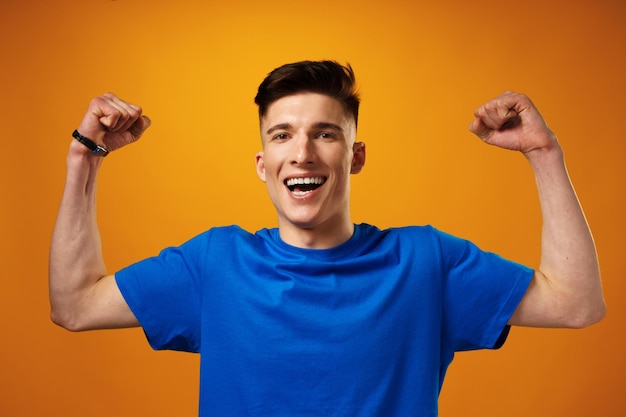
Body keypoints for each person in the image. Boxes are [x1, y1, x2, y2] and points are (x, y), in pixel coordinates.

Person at [49, 60, 606, 416]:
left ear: (355, 157)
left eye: (326, 134)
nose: (304, 152)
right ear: (264, 164)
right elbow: (73, 304)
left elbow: (576, 303)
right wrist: (84, 158)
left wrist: (543, 153)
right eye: (283, 135)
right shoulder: (215, 263)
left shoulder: (424, 262)